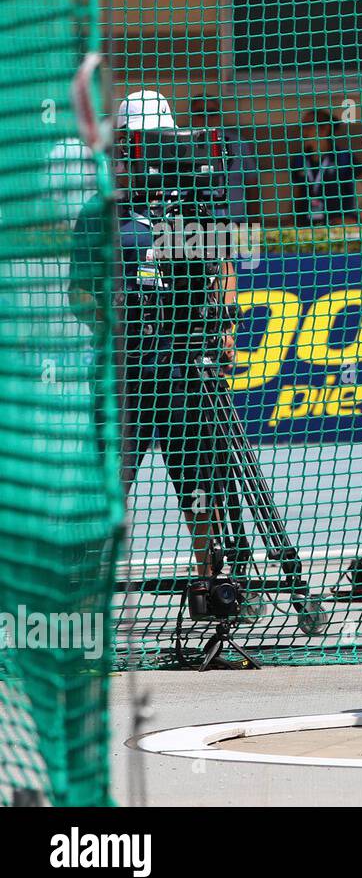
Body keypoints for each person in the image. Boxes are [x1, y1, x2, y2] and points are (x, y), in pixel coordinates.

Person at [68, 90, 238, 585]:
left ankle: (212, 577)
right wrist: (113, 317)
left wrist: (223, 326)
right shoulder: (100, 213)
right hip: (124, 376)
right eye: (133, 143)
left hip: (184, 370)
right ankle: (84, 585)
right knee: (108, 484)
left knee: (200, 486)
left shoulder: (189, 206)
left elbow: (222, 264)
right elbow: (78, 293)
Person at [188, 93, 260, 224]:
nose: (206, 117)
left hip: (236, 221)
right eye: (200, 113)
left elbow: (252, 184)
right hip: (196, 224)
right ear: (191, 116)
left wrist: (253, 225)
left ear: (219, 115)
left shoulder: (238, 144)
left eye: (212, 112)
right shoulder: (183, 145)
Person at [291, 109, 361, 226]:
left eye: (308, 126)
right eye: (302, 127)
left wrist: (353, 217)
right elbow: (297, 194)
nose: (304, 132)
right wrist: (292, 220)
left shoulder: (344, 158)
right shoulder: (299, 159)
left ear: (324, 129)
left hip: (336, 228)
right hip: (306, 227)